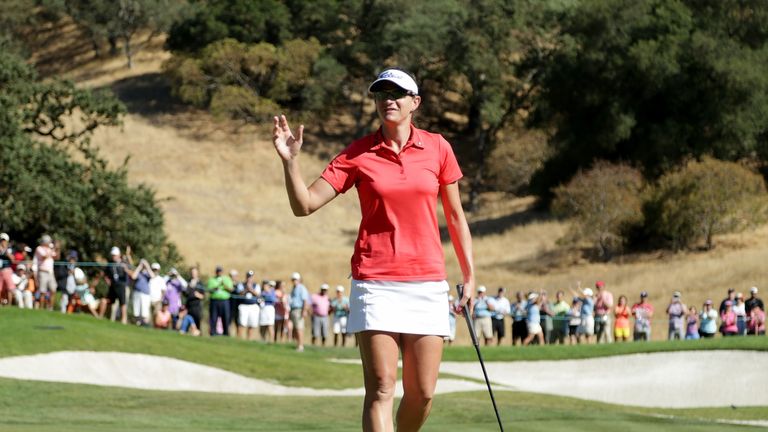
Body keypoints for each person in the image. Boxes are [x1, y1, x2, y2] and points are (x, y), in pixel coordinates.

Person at [272, 67, 475, 432]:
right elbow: (304, 205)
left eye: (397, 93)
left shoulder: (438, 147)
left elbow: (456, 217)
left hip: (427, 282)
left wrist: (471, 276)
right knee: (381, 388)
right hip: (376, 282)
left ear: (415, 102)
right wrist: (291, 163)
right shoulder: (359, 153)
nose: (388, 100)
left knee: (423, 393)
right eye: (381, 94)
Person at [100, 246, 131, 324]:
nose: (113, 256)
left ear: (118, 255)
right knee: (106, 301)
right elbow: (104, 274)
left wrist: (127, 258)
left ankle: (123, 320)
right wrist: (107, 280)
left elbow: (131, 267)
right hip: (113, 286)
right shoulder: (110, 264)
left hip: (121, 286)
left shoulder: (123, 263)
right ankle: (102, 317)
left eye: (115, 255)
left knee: (122, 303)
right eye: (113, 255)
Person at [32, 234, 59, 311]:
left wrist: (58, 248)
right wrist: (53, 249)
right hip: (42, 272)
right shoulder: (39, 248)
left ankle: (50, 308)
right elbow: (44, 256)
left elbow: (56, 257)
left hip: (50, 272)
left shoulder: (50, 249)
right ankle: (41, 308)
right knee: (42, 291)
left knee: (53, 290)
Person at [207, 265, 234, 336]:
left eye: (220, 271)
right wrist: (216, 287)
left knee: (225, 317)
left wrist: (224, 285)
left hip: (224, 301)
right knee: (213, 317)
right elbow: (209, 290)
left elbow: (231, 289)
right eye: (218, 271)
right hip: (214, 301)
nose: (219, 273)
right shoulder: (211, 279)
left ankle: (226, 333)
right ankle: (213, 333)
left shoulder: (227, 279)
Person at [288, 272, 310, 351]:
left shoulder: (301, 288)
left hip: (299, 310)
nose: (294, 281)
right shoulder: (294, 288)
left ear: (299, 280)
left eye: (296, 279)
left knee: (299, 328)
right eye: (293, 279)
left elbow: (305, 300)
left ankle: (300, 345)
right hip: (293, 309)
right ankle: (298, 344)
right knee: (295, 328)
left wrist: (304, 311)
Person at [130, 259, 154, 326]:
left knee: (144, 312)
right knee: (136, 310)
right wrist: (139, 267)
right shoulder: (138, 272)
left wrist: (147, 266)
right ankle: (137, 323)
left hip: (145, 294)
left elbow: (153, 276)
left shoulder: (147, 273)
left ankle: (144, 324)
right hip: (137, 292)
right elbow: (133, 276)